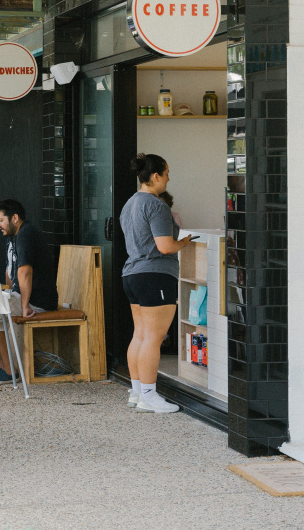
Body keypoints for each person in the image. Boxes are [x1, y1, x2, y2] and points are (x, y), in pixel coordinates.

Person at [121, 153, 193, 414]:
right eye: (166, 173)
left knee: (140, 335)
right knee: (154, 337)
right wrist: (184, 242)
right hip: (155, 275)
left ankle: (137, 392)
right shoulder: (156, 205)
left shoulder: (130, 204)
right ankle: (149, 396)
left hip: (132, 274)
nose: (168, 178)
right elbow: (165, 247)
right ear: (155, 176)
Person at [0, 200, 59, 385]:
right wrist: (7, 293)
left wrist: (24, 306)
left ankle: (9, 370)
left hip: (37, 302)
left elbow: (25, 272)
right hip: (20, 296)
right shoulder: (13, 236)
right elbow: (10, 270)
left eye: (1, 220)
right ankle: (1, 365)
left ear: (14, 218)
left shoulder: (26, 234)